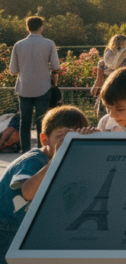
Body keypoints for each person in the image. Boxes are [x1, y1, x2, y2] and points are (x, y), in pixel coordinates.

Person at [0, 106, 90, 263]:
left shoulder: (67, 164)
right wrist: (58, 156)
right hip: (7, 232)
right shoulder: (34, 159)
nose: (69, 144)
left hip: (27, 233)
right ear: (44, 139)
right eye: (63, 138)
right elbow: (28, 192)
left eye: (74, 138)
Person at [8, 16, 61, 150]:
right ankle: (41, 150)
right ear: (41, 27)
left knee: (24, 122)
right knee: (41, 122)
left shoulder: (18, 45)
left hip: (24, 88)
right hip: (43, 87)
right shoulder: (49, 44)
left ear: (27, 27)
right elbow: (56, 66)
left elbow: (13, 70)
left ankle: (25, 152)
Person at [90, 34, 126, 118]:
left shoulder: (102, 63)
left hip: (107, 91)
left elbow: (99, 81)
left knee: (107, 117)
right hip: (124, 92)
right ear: (125, 44)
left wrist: (94, 90)